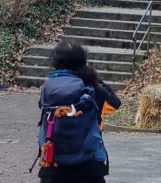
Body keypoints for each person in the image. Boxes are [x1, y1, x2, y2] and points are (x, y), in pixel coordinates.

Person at [34, 39, 120, 182]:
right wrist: (95, 80)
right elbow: (115, 103)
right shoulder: (92, 88)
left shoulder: (48, 88)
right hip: (89, 168)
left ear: (54, 62)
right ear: (83, 61)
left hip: (53, 167)